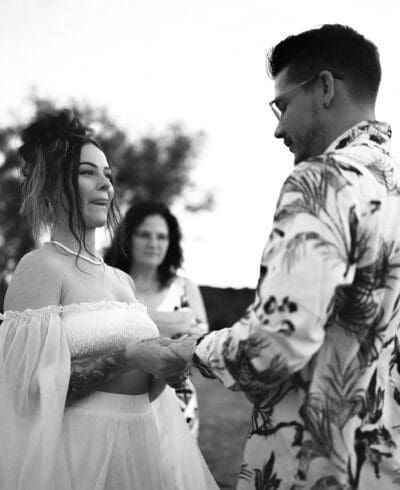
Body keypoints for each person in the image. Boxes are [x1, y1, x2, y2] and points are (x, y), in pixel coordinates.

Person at [161, 24, 400, 489]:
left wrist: (191, 351)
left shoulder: (321, 181)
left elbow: (273, 346)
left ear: (325, 88)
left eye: (282, 104)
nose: (277, 128)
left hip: (310, 470)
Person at [0, 108, 217, 490]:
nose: (106, 185)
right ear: (53, 184)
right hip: (78, 455)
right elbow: (25, 393)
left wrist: (167, 364)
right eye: (88, 172)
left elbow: (145, 390)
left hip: (140, 446)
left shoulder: (121, 280)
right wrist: (128, 356)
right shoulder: (41, 267)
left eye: (108, 175)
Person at [105, 201, 208, 438]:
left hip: (178, 400)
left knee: (174, 473)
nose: (154, 244)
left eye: (162, 237)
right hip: (121, 398)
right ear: (128, 237)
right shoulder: (110, 283)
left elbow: (201, 348)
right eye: (144, 235)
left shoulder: (185, 288)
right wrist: (172, 326)